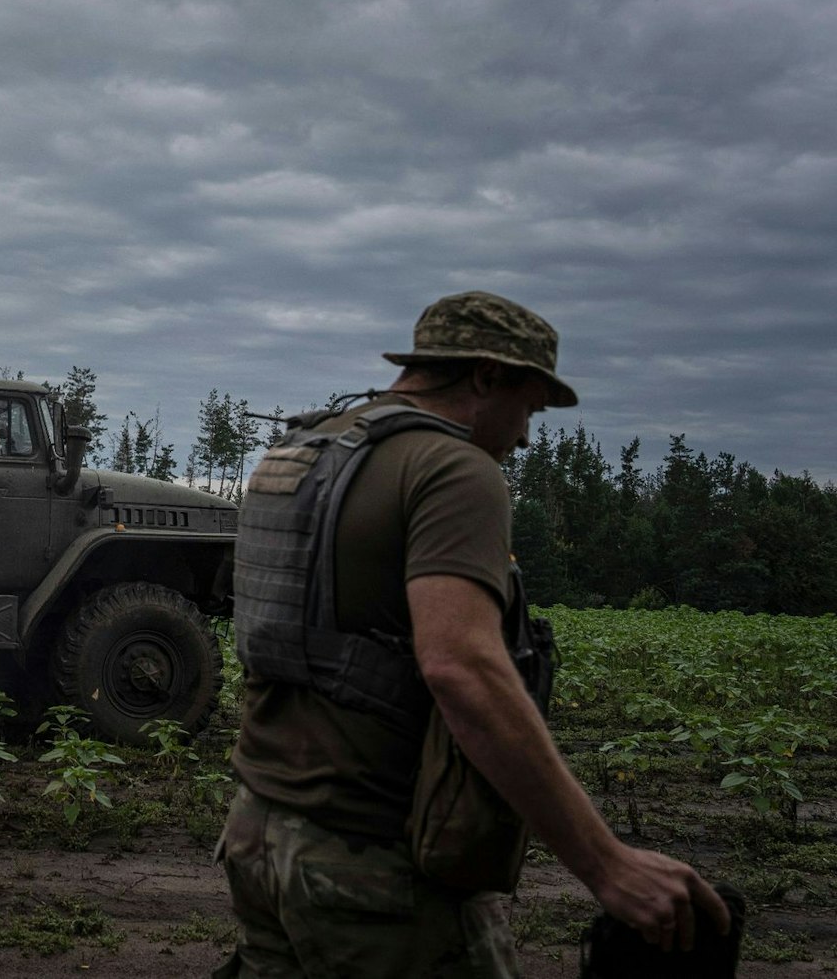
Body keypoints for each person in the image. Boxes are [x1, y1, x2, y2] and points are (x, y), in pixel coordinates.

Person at [215, 291, 729, 978]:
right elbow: (462, 667)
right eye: (530, 408)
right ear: (486, 376)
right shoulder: (453, 469)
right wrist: (607, 863)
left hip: (256, 835)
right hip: (372, 865)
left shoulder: (304, 452)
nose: (523, 436)